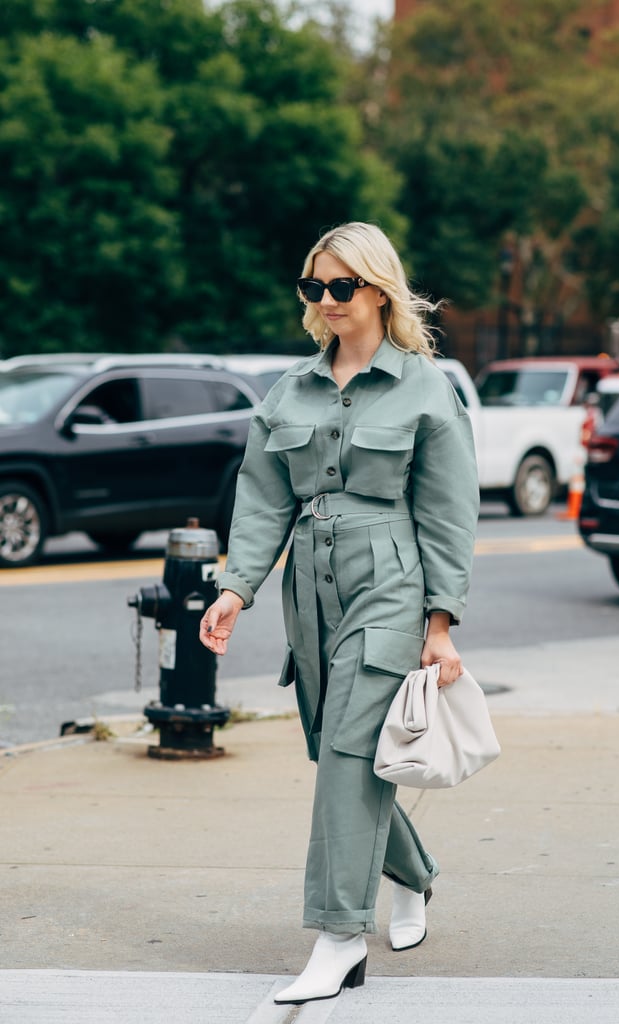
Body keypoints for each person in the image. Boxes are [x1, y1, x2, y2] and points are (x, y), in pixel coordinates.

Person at [199, 221, 479, 1005]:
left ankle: (337, 938)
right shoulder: (289, 391)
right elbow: (259, 502)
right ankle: (414, 876)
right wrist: (235, 588)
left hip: (388, 577)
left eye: (341, 286)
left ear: (379, 289)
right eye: (313, 287)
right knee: (340, 755)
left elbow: (448, 515)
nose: (325, 301)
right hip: (308, 587)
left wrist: (440, 623)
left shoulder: (426, 387)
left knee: (353, 754)